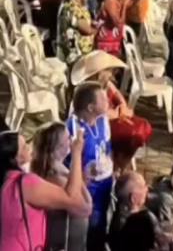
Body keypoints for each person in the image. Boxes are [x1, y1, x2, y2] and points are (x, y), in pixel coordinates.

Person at [0, 128, 90, 251]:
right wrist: (77, 153)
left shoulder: (6, 182)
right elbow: (75, 200)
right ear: (16, 158)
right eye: (24, 146)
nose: (29, 147)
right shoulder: (25, 183)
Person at [71, 51, 153, 174]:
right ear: (99, 73)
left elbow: (117, 95)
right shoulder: (88, 91)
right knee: (132, 133)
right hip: (98, 126)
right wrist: (119, 113)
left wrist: (123, 106)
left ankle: (121, 164)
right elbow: (100, 113)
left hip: (114, 117)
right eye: (108, 70)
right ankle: (117, 166)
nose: (111, 74)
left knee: (143, 125)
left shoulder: (106, 83)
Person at [31, 122, 93, 251]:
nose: (72, 140)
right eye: (68, 137)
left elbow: (75, 190)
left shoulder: (57, 169)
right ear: (57, 146)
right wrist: (77, 154)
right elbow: (84, 209)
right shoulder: (54, 177)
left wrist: (84, 178)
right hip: (65, 244)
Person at [67, 82, 114, 251]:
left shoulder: (103, 121)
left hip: (104, 187)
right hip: (87, 192)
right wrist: (85, 179)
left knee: (101, 227)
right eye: (103, 98)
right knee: (88, 233)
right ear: (90, 107)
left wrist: (110, 168)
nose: (108, 101)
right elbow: (65, 165)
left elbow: (107, 148)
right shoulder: (73, 129)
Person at [57, 0, 96, 64]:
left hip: (83, 49)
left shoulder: (77, 5)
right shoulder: (70, 8)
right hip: (76, 54)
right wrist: (101, 30)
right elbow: (87, 30)